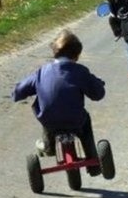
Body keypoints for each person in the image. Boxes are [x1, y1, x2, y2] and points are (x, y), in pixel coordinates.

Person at [12, 29, 106, 176]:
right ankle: (92, 161)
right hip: (75, 120)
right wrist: (99, 86)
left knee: (48, 115)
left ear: (54, 52)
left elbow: (20, 90)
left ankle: (48, 146)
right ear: (77, 55)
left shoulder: (41, 72)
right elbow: (97, 94)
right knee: (85, 121)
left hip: (49, 120)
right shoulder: (80, 71)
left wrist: (16, 94)